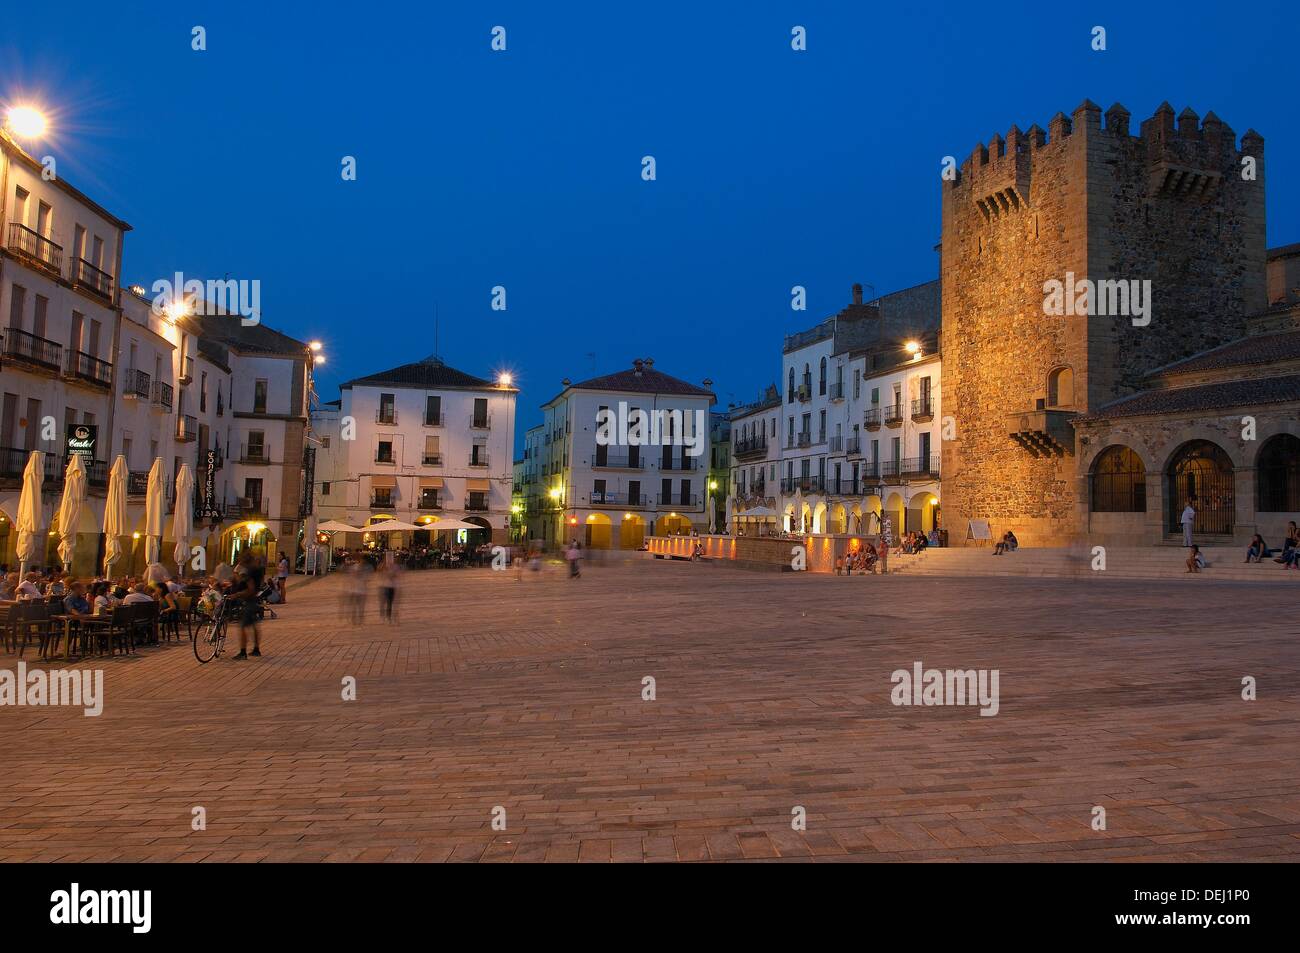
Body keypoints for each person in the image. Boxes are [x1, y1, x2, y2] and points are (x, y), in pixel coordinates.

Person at [229, 551, 265, 660]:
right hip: (255, 599)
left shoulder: (250, 572)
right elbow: (260, 584)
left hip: (249, 600)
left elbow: (250, 589)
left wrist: (237, 594)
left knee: (242, 626)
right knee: (254, 625)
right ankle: (256, 649)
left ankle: (242, 652)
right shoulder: (259, 570)